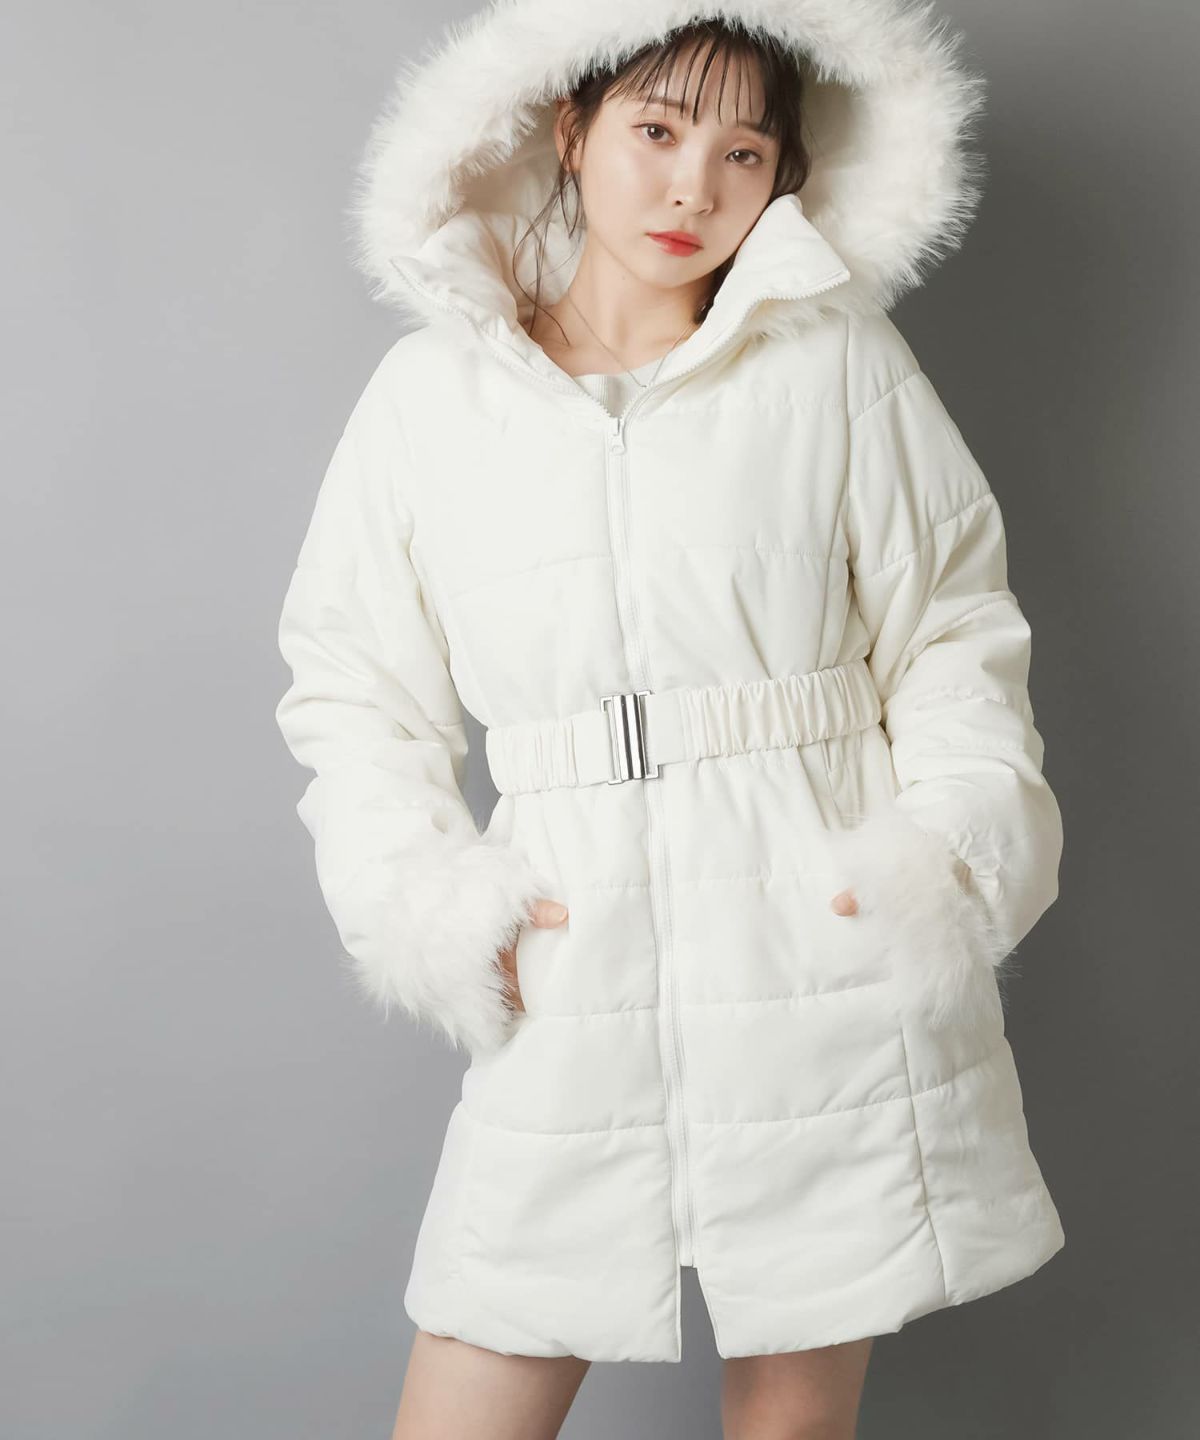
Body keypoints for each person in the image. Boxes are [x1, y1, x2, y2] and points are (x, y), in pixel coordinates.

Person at [273, 3, 1067, 1437]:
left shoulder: (837, 363)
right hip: (577, 949)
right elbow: (352, 687)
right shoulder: (431, 397)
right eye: (655, 129)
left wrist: (935, 857)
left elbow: (953, 627)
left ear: (784, 179)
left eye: (743, 152)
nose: (693, 186)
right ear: (569, 130)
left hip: (816, 948)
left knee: (793, 1423)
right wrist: (428, 898)